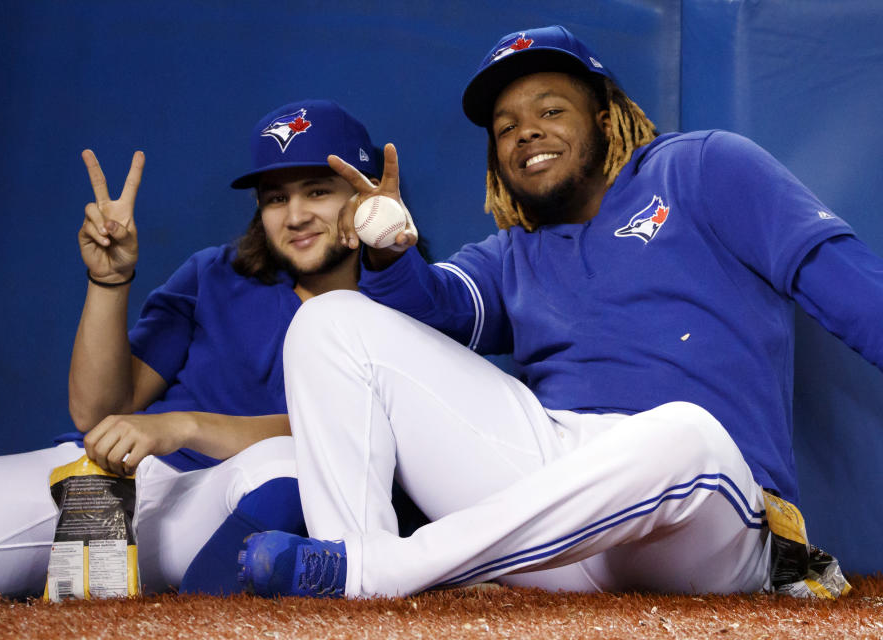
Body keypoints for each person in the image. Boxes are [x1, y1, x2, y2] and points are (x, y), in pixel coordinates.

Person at [235, 25, 862, 600]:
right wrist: (389, 250)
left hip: (707, 521)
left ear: (606, 114)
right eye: (506, 128)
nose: (526, 132)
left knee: (685, 434)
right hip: (558, 516)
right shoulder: (512, 253)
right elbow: (437, 308)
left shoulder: (702, 168)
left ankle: (378, 571)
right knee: (329, 320)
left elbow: (850, 286)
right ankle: (352, 574)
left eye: (551, 110)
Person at [0, 99, 382, 603]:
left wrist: (184, 425)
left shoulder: (406, 308)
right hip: (109, 478)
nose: (295, 216)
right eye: (275, 198)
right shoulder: (216, 273)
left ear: (364, 194)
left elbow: (349, 438)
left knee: (289, 467)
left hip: (215, 505)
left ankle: (180, 621)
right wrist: (108, 281)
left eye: (317, 191)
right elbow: (97, 413)